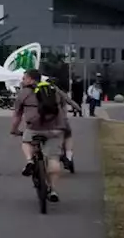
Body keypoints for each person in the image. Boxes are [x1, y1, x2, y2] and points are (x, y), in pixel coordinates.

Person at [10, 69, 79, 203]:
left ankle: (29, 160)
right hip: (55, 129)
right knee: (53, 159)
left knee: (26, 141)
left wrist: (14, 130)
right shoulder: (53, 90)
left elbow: (17, 116)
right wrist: (77, 108)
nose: (23, 81)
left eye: (24, 78)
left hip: (34, 128)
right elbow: (66, 100)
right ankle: (53, 190)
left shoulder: (23, 93)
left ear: (30, 79)